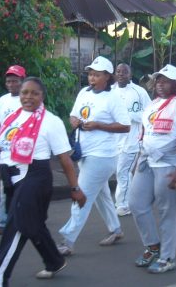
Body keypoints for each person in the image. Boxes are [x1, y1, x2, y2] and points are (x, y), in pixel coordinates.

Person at [0, 77, 88, 286]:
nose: (28, 97)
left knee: (16, 226)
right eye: (25, 92)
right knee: (32, 224)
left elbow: (65, 159)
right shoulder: (13, 118)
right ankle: (54, 260)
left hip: (35, 177)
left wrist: (75, 188)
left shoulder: (50, 122)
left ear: (42, 96)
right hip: (11, 178)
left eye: (34, 93)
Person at [56, 56, 131, 255]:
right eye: (90, 74)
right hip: (84, 152)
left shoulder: (113, 98)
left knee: (81, 196)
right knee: (102, 195)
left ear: (107, 77)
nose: (92, 78)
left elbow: (125, 126)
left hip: (103, 155)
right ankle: (115, 229)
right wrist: (73, 120)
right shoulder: (84, 92)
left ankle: (67, 240)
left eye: (97, 75)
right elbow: (73, 114)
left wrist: (99, 125)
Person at [128, 64, 176, 274]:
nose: (160, 84)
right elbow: (144, 135)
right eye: (158, 80)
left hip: (169, 164)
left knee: (167, 212)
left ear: (175, 84)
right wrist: (137, 162)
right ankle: (153, 246)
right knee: (136, 203)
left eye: (165, 81)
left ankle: (167, 257)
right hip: (147, 161)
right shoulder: (153, 105)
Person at [0, 65, 26, 236]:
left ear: (22, 82)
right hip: (5, 151)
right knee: (5, 188)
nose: (11, 84)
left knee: (23, 188)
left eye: (15, 81)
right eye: (8, 81)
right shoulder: (3, 100)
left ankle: (27, 217)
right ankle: (3, 222)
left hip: (22, 151)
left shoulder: (27, 99)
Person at [112, 63, 151, 217]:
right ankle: (133, 198)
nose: (121, 74)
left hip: (132, 140)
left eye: (125, 72)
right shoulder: (110, 91)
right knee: (121, 172)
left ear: (130, 74)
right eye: (118, 72)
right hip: (114, 140)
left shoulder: (139, 91)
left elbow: (149, 113)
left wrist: (129, 116)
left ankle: (123, 204)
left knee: (123, 171)